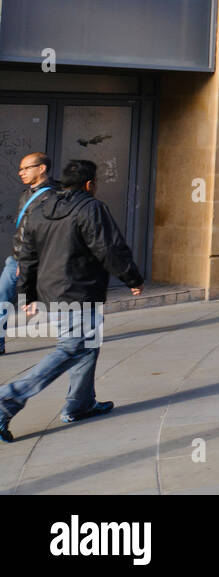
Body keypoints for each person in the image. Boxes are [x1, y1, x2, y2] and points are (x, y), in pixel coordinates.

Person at [0, 160, 143, 442]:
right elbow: (109, 248)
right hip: (78, 291)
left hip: (51, 291)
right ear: (89, 184)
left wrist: (28, 294)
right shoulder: (91, 208)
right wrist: (132, 279)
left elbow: (27, 254)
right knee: (72, 348)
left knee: (88, 345)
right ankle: (8, 400)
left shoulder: (42, 207)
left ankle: (80, 404)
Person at [3, 153, 57, 355]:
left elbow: (44, 233)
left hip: (33, 261)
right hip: (15, 258)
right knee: (2, 300)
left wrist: (28, 262)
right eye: (20, 169)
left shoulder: (52, 197)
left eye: (26, 168)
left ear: (41, 168)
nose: (21, 173)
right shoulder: (26, 194)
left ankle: (72, 340)